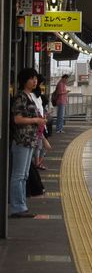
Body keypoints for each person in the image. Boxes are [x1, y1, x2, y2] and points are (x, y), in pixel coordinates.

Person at [9, 67, 47, 218]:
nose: (35, 81)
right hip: (22, 140)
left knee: (24, 174)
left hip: (30, 140)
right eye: (32, 78)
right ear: (24, 80)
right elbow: (17, 119)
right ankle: (17, 207)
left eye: (36, 78)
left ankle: (21, 205)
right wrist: (36, 120)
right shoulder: (21, 97)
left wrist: (40, 121)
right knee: (18, 175)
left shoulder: (30, 96)